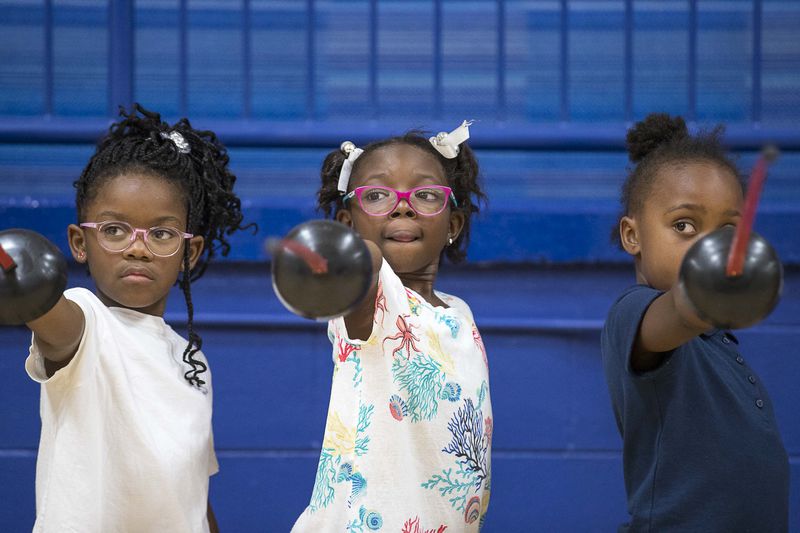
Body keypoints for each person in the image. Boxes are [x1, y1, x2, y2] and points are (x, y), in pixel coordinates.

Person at [22, 104, 250, 532]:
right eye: (114, 230)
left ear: (190, 252)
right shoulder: (85, 321)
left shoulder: (191, 362)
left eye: (161, 234)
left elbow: (191, 498)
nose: (137, 248)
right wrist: (23, 284)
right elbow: (48, 314)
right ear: (79, 242)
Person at [291, 122, 492, 531]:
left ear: (452, 226)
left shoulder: (458, 313)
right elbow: (362, 269)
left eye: (426, 194)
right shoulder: (375, 301)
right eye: (378, 196)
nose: (403, 206)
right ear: (348, 223)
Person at [601, 113, 789, 532]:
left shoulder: (718, 341)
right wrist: (704, 292)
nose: (711, 247)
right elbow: (680, 311)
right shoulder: (636, 312)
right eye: (684, 225)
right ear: (633, 236)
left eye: (727, 231)